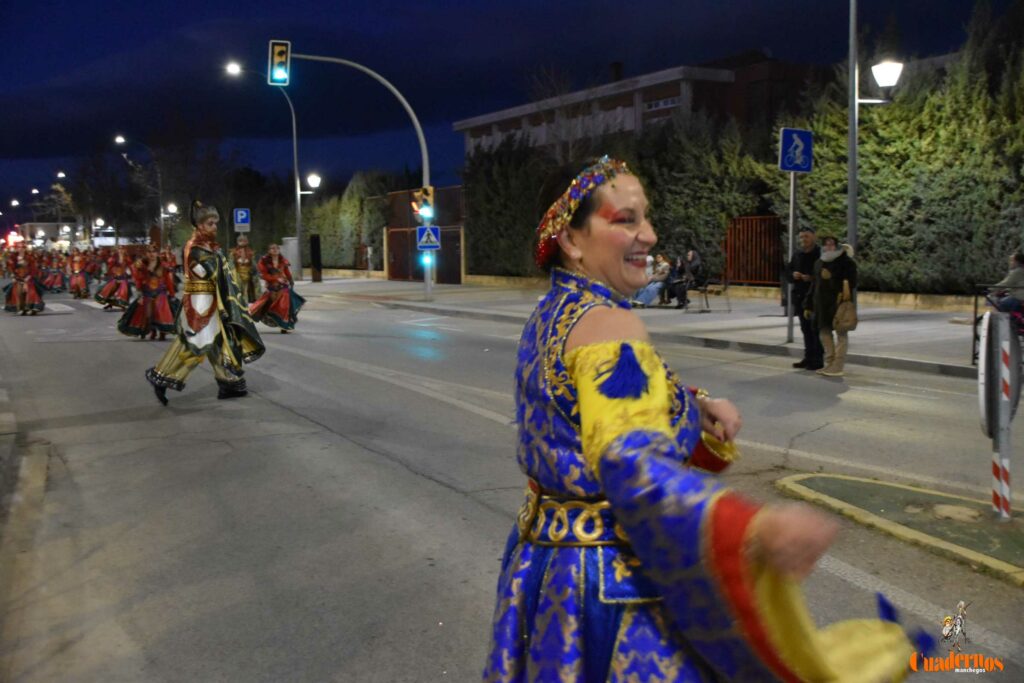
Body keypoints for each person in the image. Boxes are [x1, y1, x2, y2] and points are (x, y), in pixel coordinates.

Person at [482, 157, 921, 681]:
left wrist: (694, 404)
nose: (648, 234)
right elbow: (631, 465)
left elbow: (592, 409)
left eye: (646, 217)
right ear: (571, 240)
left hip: (544, 564)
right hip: (608, 588)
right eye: (625, 220)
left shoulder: (554, 312)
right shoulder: (609, 323)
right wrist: (753, 528)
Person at [145, 202, 264, 405]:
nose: (214, 228)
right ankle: (161, 376)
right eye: (210, 224)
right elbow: (209, 272)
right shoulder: (194, 248)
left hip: (211, 300)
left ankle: (228, 382)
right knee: (194, 343)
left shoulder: (209, 247)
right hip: (199, 304)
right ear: (199, 226)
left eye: (215, 224)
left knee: (217, 341)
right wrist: (220, 263)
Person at [805, 236, 857, 378]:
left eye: (832, 244)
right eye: (826, 245)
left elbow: (852, 283)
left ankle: (838, 366)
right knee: (824, 333)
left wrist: (832, 278)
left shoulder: (846, 262)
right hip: (821, 305)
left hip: (839, 304)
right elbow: (814, 285)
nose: (829, 247)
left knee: (841, 334)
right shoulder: (819, 263)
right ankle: (829, 363)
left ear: (837, 246)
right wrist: (808, 305)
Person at [118, 252, 178, 341]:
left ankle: (162, 333)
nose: (151, 254)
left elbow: (168, 280)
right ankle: (153, 331)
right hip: (147, 293)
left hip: (161, 293)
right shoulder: (142, 266)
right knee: (148, 314)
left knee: (160, 313)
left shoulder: (163, 266)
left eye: (154, 252)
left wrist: (172, 293)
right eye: (149, 252)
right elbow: (137, 277)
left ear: (157, 254)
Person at [788, 227, 824, 370]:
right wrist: (793, 275)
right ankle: (808, 357)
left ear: (814, 237)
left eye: (807, 237)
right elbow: (788, 271)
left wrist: (812, 278)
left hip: (815, 297)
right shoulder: (797, 254)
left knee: (815, 329)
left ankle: (818, 359)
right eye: (802, 237)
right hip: (800, 296)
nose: (804, 240)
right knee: (805, 328)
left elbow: (826, 274)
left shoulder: (820, 254)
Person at [248, 244, 305, 333]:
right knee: (264, 304)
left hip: (284, 286)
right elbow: (263, 275)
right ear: (269, 251)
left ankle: (284, 325)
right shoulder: (264, 261)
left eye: (277, 248)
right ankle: (248, 317)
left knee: (285, 305)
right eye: (272, 248)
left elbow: (287, 272)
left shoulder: (283, 260)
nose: (275, 250)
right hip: (272, 287)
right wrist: (275, 278)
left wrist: (291, 280)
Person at [3, 247, 44, 315]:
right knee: (17, 292)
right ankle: (20, 308)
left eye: (22, 248)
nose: (20, 249)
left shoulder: (30, 257)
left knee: (30, 290)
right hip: (18, 278)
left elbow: (33, 268)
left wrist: (28, 278)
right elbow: (10, 267)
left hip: (28, 278)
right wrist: (13, 275)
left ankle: (31, 307)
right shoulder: (13, 257)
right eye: (19, 247)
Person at [231, 235, 258, 303]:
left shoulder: (250, 253)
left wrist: (253, 272)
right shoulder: (233, 252)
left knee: (248, 291)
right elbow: (231, 264)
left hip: (248, 275)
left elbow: (253, 265)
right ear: (237, 242)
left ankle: (247, 305)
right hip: (237, 274)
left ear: (247, 241)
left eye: (244, 240)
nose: (242, 242)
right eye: (240, 240)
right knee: (238, 290)